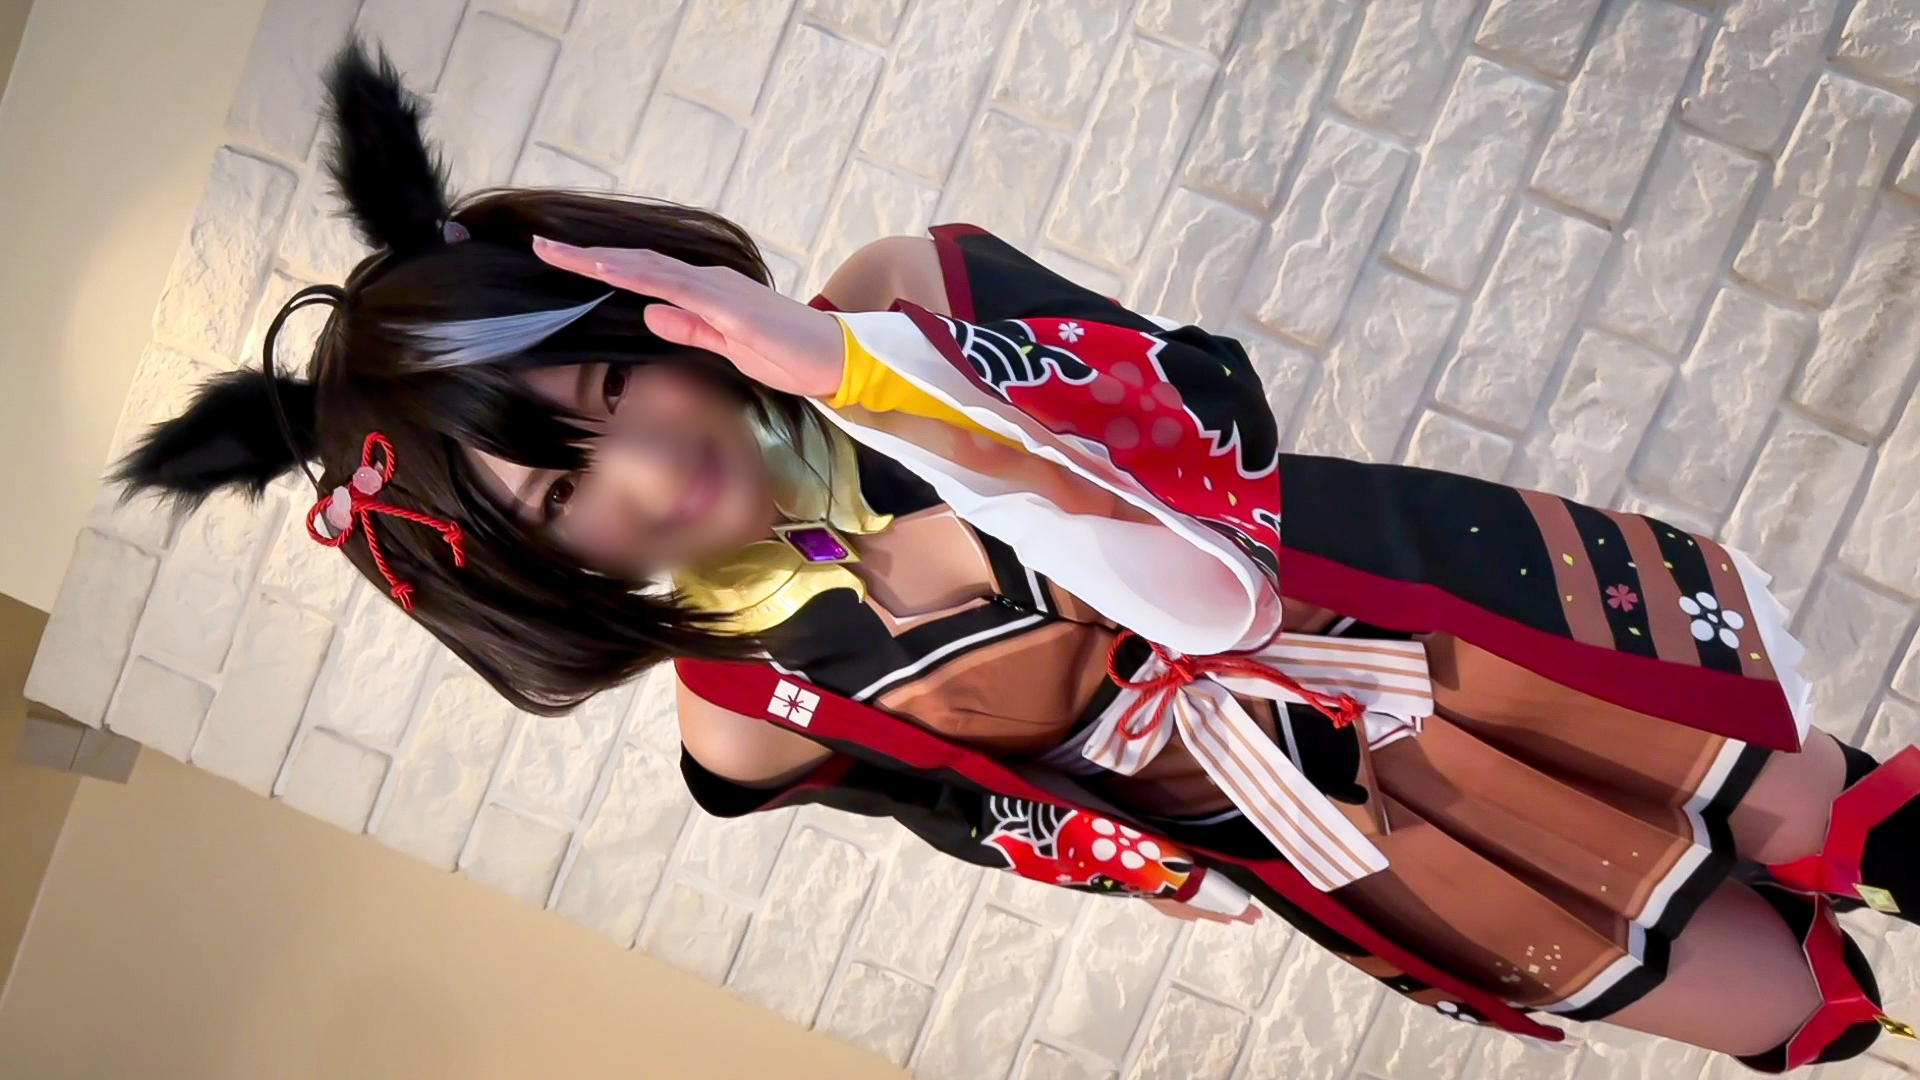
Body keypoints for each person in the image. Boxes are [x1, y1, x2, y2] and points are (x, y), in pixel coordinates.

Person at [118, 43, 1917, 1072]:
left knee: (1823, 813)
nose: (647, 470)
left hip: (1436, 632)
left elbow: (1215, 550)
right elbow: (1000, 820)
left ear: (642, 314)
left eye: (605, 385)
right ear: (522, 568)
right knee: (1773, 1010)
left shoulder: (905, 304)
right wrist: (1183, 874)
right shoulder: (742, 711)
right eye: (555, 497)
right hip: (1342, 840)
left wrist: (852, 373)